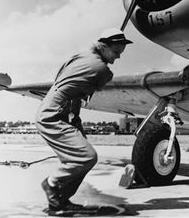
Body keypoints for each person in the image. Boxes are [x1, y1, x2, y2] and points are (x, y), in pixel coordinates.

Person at [35, 28, 132, 213]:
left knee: (79, 163)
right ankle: (51, 184)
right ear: (103, 47)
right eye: (116, 52)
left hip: (63, 115)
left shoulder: (80, 56)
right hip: (53, 116)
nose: (118, 57)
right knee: (87, 157)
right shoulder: (100, 69)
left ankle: (59, 202)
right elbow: (105, 78)